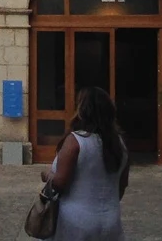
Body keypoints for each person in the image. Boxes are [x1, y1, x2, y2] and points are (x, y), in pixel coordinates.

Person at [43, 86, 129, 240]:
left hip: (76, 224)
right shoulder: (120, 144)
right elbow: (121, 186)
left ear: (83, 111)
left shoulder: (76, 141)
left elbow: (59, 183)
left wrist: (47, 175)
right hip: (111, 221)